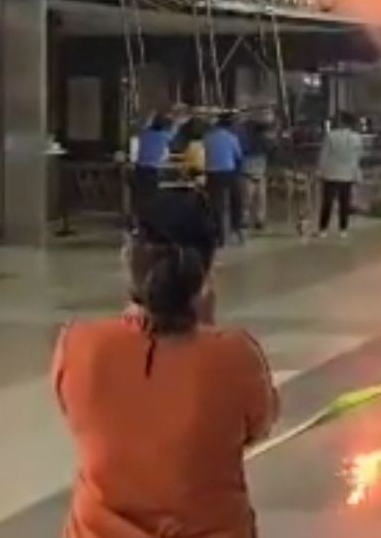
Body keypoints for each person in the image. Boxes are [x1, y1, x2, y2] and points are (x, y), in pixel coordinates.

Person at [53, 189, 278, 538]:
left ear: (128, 259)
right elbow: (258, 427)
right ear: (206, 269)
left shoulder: (78, 344)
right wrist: (206, 331)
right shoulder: (236, 356)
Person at [318, 112, 363, 238]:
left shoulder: (330, 136)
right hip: (347, 174)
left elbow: (324, 156)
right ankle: (343, 229)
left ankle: (323, 229)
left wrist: (320, 171)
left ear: (341, 122)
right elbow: (357, 157)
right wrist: (356, 173)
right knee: (345, 203)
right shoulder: (357, 138)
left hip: (331, 173)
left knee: (327, 202)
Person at [205, 114, 245, 245]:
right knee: (236, 200)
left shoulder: (207, 137)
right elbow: (239, 156)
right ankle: (236, 228)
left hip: (212, 173)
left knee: (216, 204)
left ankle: (219, 234)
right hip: (229, 172)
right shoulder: (232, 138)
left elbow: (205, 152)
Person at [133, 113, 173, 215]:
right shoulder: (164, 136)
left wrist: (149, 118)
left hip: (139, 168)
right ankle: (149, 217)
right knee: (152, 196)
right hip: (153, 169)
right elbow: (173, 134)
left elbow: (141, 127)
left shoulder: (144, 134)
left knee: (139, 195)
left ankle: (137, 219)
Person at [241, 119, 275, 231]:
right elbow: (271, 151)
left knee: (247, 199)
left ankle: (245, 220)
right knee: (260, 199)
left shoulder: (246, 140)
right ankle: (259, 220)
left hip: (248, 173)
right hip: (259, 172)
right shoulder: (264, 141)